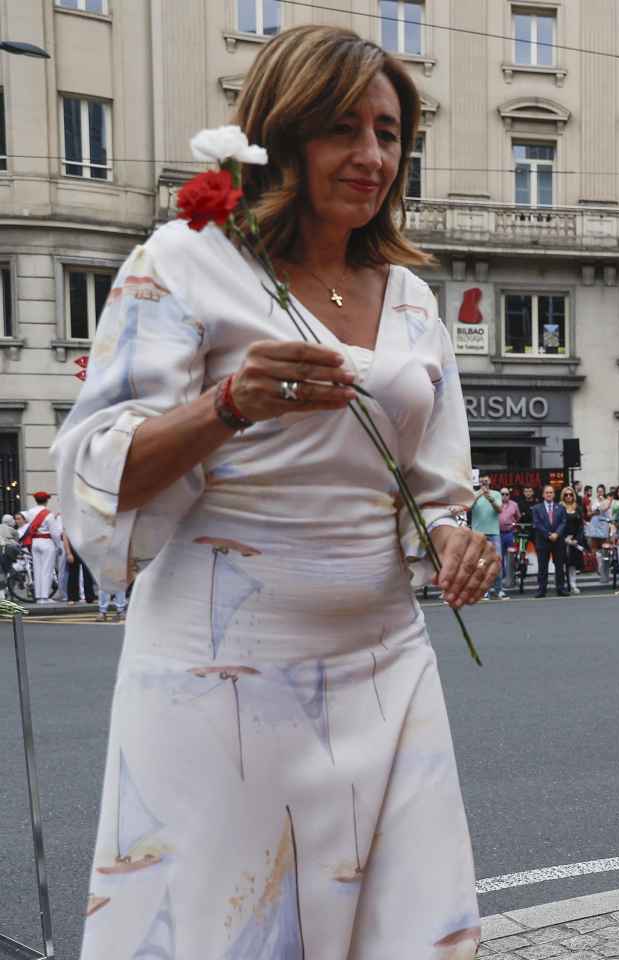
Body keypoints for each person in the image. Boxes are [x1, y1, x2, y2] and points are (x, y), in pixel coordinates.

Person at [50, 25, 495, 957]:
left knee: (409, 928)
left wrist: (456, 537)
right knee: (229, 929)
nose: (373, 155)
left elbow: (439, 489)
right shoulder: (181, 259)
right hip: (223, 673)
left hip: (387, 664)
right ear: (282, 133)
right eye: (344, 128)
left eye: (388, 131)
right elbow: (96, 464)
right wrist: (227, 405)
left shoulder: (411, 298)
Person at [531, 484, 572, 598]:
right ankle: (541, 589)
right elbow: (537, 523)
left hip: (558, 541)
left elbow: (563, 522)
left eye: (551, 492)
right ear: (543, 495)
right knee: (542, 566)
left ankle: (560, 588)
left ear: (554, 494)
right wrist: (549, 534)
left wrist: (556, 534)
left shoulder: (561, 508)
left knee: (559, 566)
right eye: (547, 492)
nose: (549, 494)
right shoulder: (536, 508)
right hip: (543, 540)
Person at [469, 479, 505, 599]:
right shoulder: (473, 494)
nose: (484, 483)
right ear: (479, 482)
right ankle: (483, 590)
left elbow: (499, 510)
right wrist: (479, 494)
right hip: (478, 534)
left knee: (497, 561)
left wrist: (491, 499)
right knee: (481, 564)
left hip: (494, 533)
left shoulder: (496, 494)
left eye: (486, 481)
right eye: (482, 481)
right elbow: (468, 507)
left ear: (490, 482)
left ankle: (498, 589)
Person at [19, 492, 57, 604]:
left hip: (34, 542)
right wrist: (58, 546)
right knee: (47, 569)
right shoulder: (48, 514)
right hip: (46, 541)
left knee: (37, 569)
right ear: (46, 500)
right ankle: (45, 596)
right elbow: (54, 532)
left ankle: (39, 596)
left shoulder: (29, 513)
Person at [498, 487, 520, 592]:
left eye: (506, 494)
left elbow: (518, 516)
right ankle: (502, 579)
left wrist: (513, 524)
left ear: (509, 495)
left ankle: (511, 580)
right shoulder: (496, 504)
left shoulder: (514, 505)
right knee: (500, 557)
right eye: (502, 494)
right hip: (498, 534)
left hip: (510, 533)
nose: (504, 496)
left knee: (511, 558)